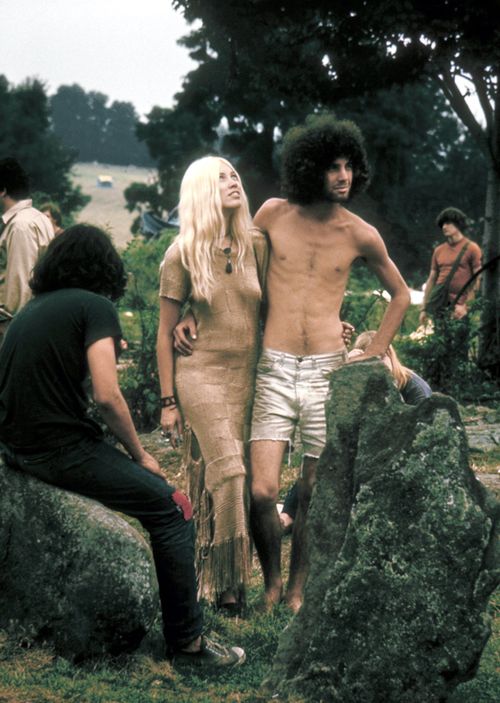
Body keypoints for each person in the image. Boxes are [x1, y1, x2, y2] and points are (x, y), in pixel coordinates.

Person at [0, 224, 245, 669]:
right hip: (61, 450)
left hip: (19, 450)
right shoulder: (95, 308)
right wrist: (140, 455)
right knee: (174, 508)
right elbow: (108, 395)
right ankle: (188, 646)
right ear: (105, 269)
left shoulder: (30, 311)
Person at [248, 115, 410, 612]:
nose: (342, 176)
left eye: (348, 167)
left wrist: (372, 349)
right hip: (272, 369)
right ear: (309, 168)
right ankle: (270, 582)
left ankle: (295, 590)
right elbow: (235, 273)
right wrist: (191, 314)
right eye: (332, 167)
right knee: (262, 490)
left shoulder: (361, 234)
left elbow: (401, 295)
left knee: (314, 490)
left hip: (326, 372)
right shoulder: (272, 214)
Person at [157, 156, 268, 614]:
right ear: (202, 189)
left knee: (220, 481)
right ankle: (229, 589)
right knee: (230, 473)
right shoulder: (181, 251)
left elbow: (277, 304)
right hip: (199, 373)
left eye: (235, 174)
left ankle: (209, 574)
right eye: (220, 177)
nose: (233, 181)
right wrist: (168, 402)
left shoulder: (256, 245)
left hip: (246, 374)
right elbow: (165, 335)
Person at [279, 330, 432, 532]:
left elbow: (423, 434)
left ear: (389, 356)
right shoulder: (361, 383)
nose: (372, 368)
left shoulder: (413, 388)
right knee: (324, 462)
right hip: (368, 453)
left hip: (404, 457)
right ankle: (288, 515)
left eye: (377, 360)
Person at [0, 158, 54, 337]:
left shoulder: (20, 226)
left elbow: (20, 290)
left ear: (3, 191)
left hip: (14, 330)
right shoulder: (37, 218)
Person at [419, 207, 482, 324]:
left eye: (448, 223)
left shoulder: (472, 248)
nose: (444, 227)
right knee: (438, 339)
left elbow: (478, 279)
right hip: (439, 305)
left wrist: (466, 306)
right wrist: (424, 308)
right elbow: (431, 279)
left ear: (458, 224)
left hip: (460, 306)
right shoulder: (438, 250)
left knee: (459, 339)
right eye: (442, 224)